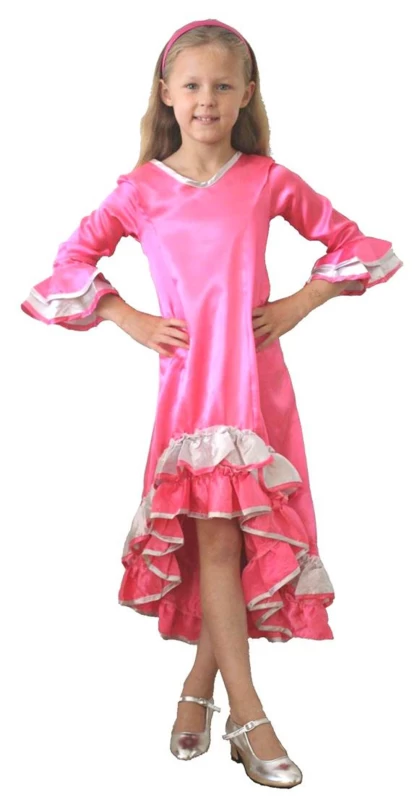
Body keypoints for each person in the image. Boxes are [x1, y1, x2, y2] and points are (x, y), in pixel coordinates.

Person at [20, 18, 403, 789]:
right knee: (218, 545)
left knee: (227, 544)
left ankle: (201, 693)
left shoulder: (265, 179)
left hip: (255, 389)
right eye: (192, 84)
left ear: (246, 94)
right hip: (190, 391)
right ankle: (248, 716)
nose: (206, 99)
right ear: (165, 93)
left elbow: (354, 245)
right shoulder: (139, 191)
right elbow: (68, 262)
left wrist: (300, 302)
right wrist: (125, 316)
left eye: (222, 86)